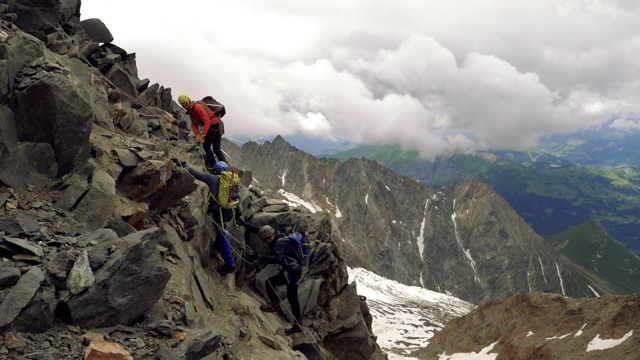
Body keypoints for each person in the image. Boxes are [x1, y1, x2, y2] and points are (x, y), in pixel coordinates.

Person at [180, 159, 237, 274]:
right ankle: (226, 257)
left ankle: (230, 264)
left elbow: (197, 174)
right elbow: (236, 199)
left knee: (223, 235)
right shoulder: (231, 182)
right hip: (229, 212)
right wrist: (239, 214)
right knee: (224, 232)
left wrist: (184, 164)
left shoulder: (213, 179)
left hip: (218, 212)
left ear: (216, 170)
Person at [252, 224, 304, 334]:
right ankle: (298, 324)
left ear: (269, 238)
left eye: (265, 240)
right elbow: (260, 230)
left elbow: (276, 259)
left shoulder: (279, 243)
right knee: (292, 297)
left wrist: (260, 257)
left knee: (269, 282)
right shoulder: (280, 235)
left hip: (291, 271)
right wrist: (246, 225)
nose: (265, 242)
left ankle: (274, 306)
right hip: (296, 270)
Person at [177, 93, 227, 169]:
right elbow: (194, 124)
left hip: (214, 125)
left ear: (189, 101)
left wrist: (203, 135)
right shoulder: (191, 111)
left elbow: (207, 122)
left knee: (206, 146)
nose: (185, 106)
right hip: (217, 125)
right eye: (182, 105)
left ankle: (214, 166)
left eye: (186, 103)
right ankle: (224, 168)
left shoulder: (197, 107)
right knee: (216, 149)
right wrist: (197, 135)